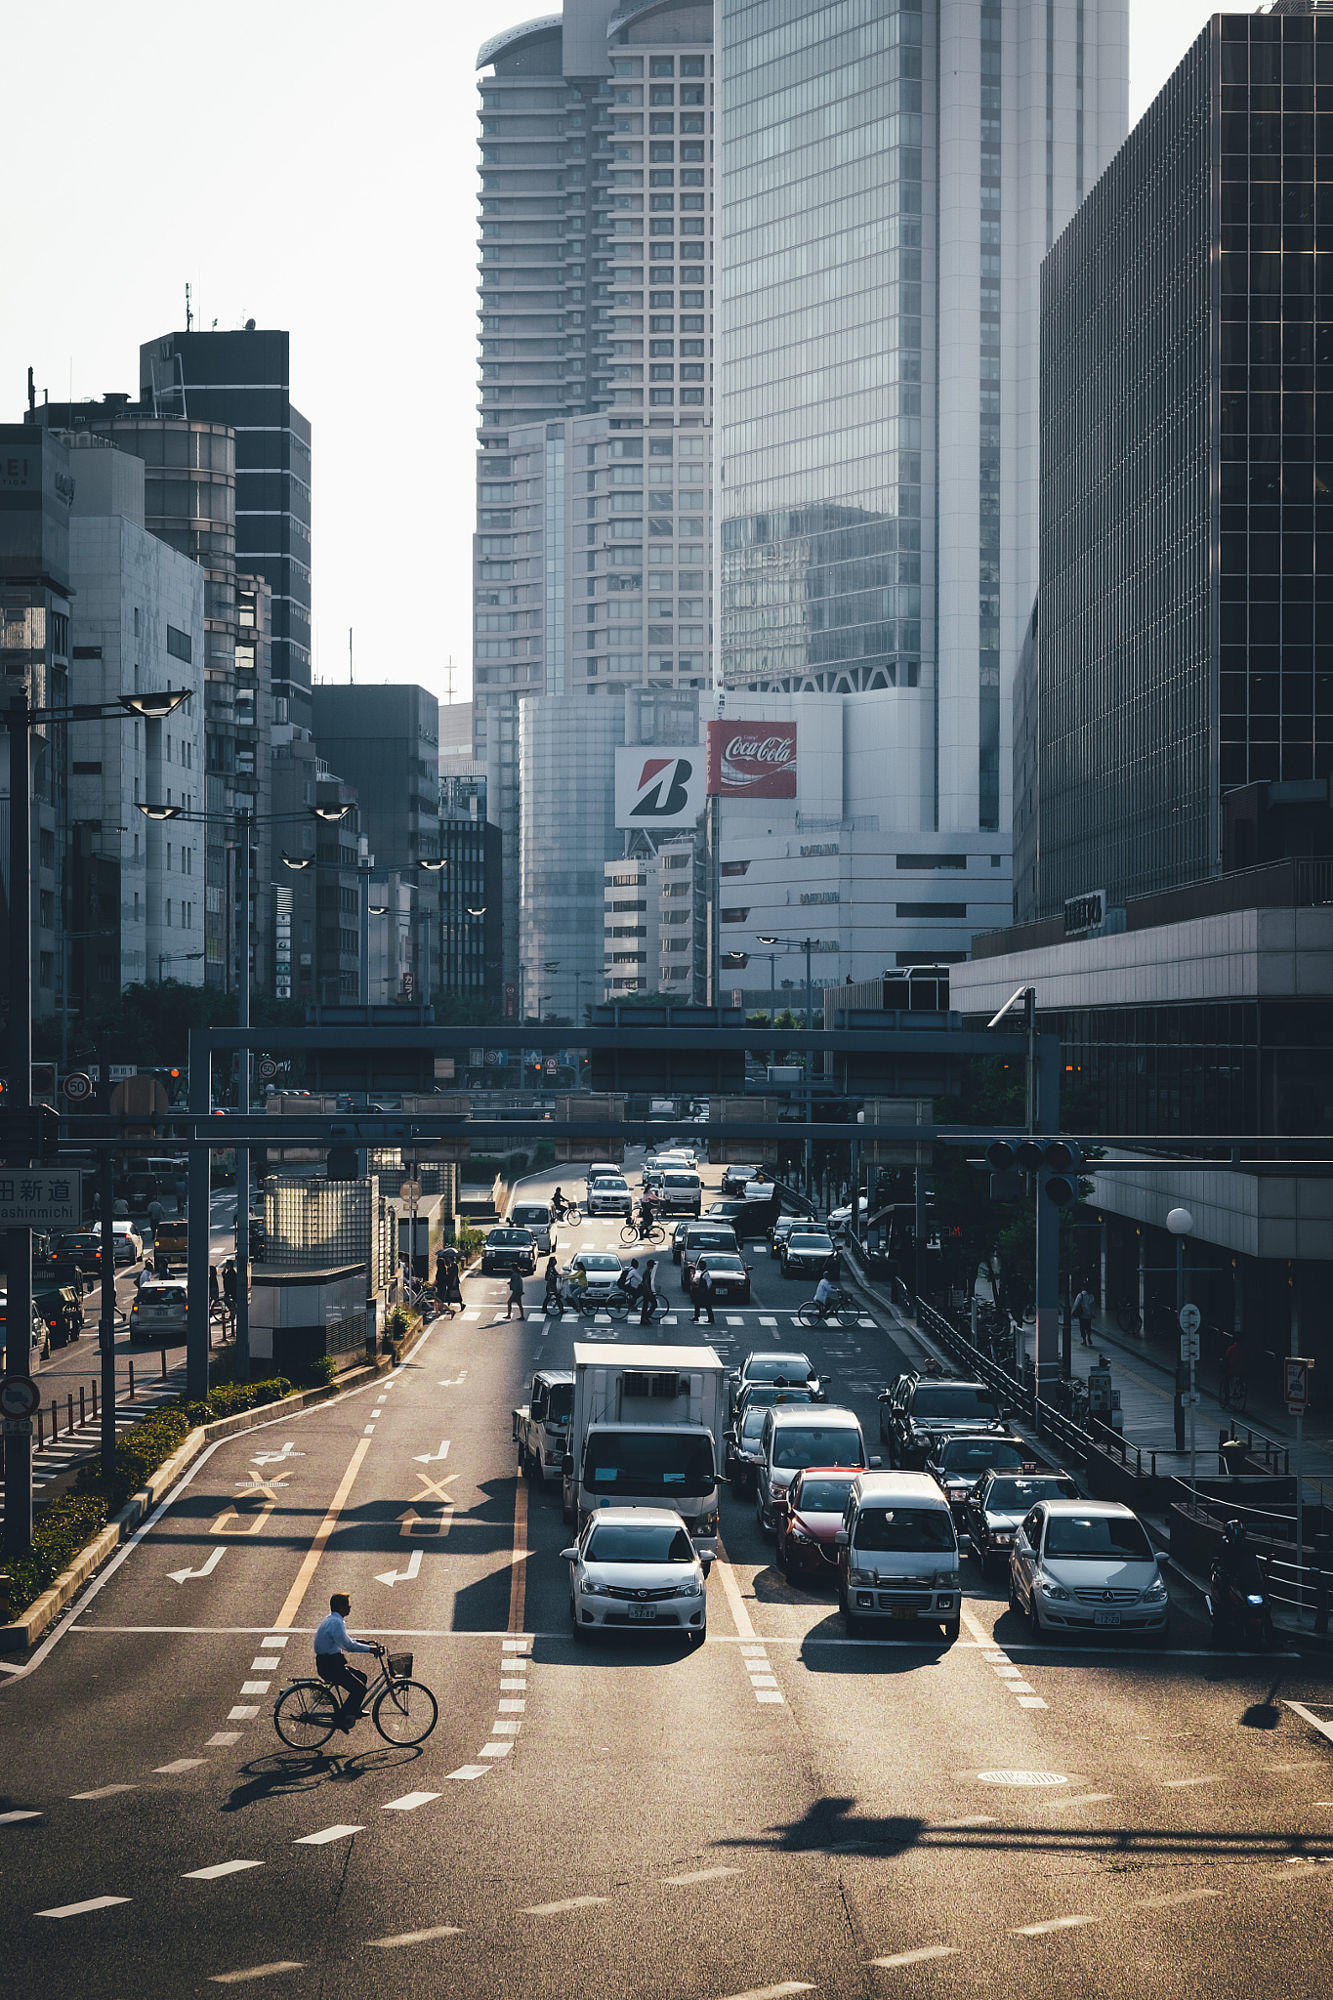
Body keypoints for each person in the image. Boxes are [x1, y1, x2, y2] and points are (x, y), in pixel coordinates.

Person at [313, 1591, 381, 1727]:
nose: (350, 1607)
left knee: (361, 1677)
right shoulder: (336, 1623)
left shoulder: (332, 1620)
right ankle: (341, 1718)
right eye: (348, 1605)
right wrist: (370, 1649)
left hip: (330, 1663)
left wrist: (363, 1642)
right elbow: (348, 1645)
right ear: (340, 1607)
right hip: (331, 1666)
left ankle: (353, 1710)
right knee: (360, 1689)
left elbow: (343, 1640)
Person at [1222, 1333, 1248, 1404]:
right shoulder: (1244, 1349)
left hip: (1232, 1369)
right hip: (1242, 1370)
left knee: (1226, 1379)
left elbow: (1226, 1358)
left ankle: (1227, 1398)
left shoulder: (1231, 1348)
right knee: (1241, 1378)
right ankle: (1241, 1390)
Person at [639, 1257, 660, 1325]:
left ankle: (643, 1319)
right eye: (653, 1265)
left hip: (645, 1291)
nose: (653, 1266)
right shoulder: (647, 1272)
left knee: (645, 1306)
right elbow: (645, 1283)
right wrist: (649, 1291)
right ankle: (646, 1316)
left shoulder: (647, 1271)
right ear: (650, 1265)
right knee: (654, 1304)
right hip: (647, 1292)